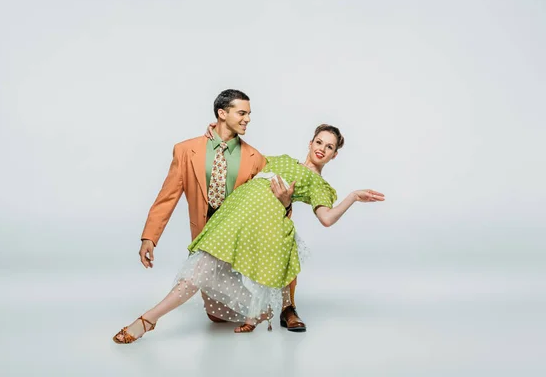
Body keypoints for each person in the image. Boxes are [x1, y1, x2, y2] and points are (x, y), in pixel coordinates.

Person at [113, 124, 385, 343]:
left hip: (261, 228)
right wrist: (215, 133)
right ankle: (261, 311)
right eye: (319, 142)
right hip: (232, 219)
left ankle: (148, 320)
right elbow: (238, 156)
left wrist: (352, 197)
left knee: (198, 273)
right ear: (310, 142)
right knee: (201, 273)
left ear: (335, 154)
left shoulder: (318, 183)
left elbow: (326, 218)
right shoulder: (277, 160)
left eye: (330, 147)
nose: (322, 149)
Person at [137, 89, 302, 329]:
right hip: (206, 236)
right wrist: (149, 237)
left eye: (249, 114)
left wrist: (286, 205)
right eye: (242, 113)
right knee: (216, 315)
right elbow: (167, 196)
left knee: (288, 242)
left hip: (238, 239)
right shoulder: (186, 150)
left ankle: (287, 307)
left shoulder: (255, 158)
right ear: (222, 113)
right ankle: (260, 308)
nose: (248, 119)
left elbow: (269, 203)